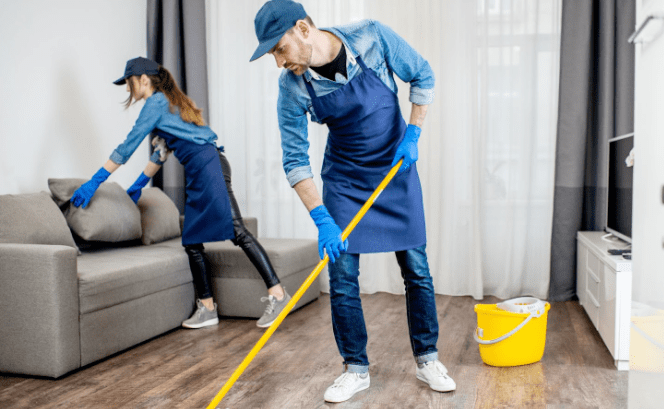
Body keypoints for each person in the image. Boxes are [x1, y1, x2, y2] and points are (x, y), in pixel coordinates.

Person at [250, 0, 456, 403]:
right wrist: (322, 218)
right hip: (345, 180)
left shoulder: (371, 38)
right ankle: (355, 368)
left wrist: (413, 133)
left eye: (279, 49)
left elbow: (422, 73)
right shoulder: (292, 86)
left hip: (395, 169)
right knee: (342, 275)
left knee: (416, 267)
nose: (278, 62)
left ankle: (427, 358)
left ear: (303, 29)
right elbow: (295, 160)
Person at [70, 56, 292, 329]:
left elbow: (127, 147)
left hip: (208, 167)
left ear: (143, 79)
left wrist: (94, 181)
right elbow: (160, 154)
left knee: (237, 230)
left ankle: (278, 295)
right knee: (192, 241)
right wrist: (138, 185)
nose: (127, 89)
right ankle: (207, 308)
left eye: (129, 82)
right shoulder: (168, 104)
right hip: (202, 169)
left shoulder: (156, 103)